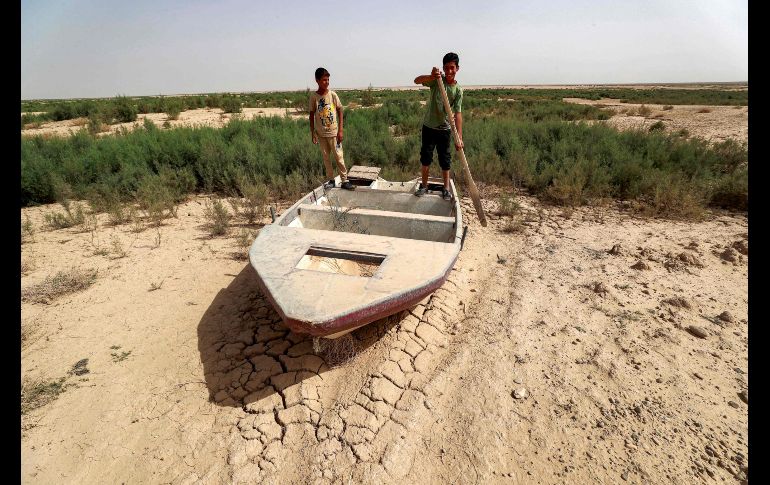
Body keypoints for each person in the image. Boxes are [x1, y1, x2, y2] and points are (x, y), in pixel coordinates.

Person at [413, 52, 464, 200]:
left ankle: (446, 188)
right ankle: (424, 186)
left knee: (445, 159)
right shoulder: (436, 81)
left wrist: (459, 138)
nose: (449, 71)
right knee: (426, 158)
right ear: (443, 68)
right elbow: (416, 80)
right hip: (429, 127)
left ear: (457, 68)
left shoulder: (458, 90)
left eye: (452, 68)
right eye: (446, 68)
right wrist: (431, 76)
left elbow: (458, 114)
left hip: (445, 129)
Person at [309, 67, 354, 190]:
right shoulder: (314, 97)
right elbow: (311, 115)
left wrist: (340, 130)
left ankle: (345, 180)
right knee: (326, 158)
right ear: (317, 80)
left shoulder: (332, 95)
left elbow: (340, 109)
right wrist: (313, 133)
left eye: (328, 79)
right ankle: (331, 180)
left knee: (339, 157)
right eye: (324, 80)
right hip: (321, 134)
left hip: (334, 133)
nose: (327, 82)